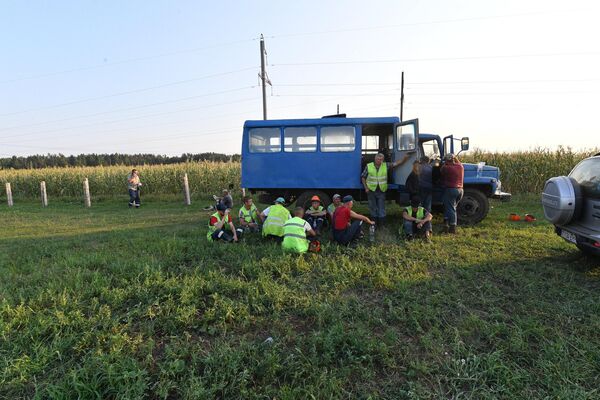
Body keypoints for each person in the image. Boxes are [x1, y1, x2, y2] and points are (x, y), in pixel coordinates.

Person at [361, 152, 411, 226]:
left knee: (381, 208)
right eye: (378, 159)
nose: (379, 161)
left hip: (381, 190)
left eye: (381, 159)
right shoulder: (369, 166)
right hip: (371, 190)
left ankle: (382, 225)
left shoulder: (385, 165)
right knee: (373, 207)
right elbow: (363, 177)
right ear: (375, 159)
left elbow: (396, 163)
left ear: (383, 160)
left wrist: (404, 159)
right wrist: (366, 188)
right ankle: (373, 224)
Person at [441, 153, 464, 234]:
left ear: (447, 160)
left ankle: (452, 228)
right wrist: (455, 157)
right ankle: (446, 223)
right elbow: (458, 162)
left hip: (451, 190)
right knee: (451, 207)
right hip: (460, 190)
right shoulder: (460, 166)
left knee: (451, 209)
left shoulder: (446, 168)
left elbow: (441, 171)